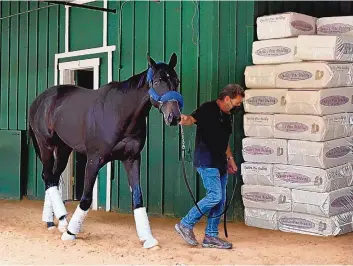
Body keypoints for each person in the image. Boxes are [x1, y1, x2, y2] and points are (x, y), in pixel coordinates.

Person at [174, 84, 244, 249]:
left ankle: (211, 237)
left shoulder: (228, 116)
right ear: (227, 99)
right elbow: (191, 119)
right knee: (214, 196)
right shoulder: (207, 109)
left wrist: (231, 159)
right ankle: (185, 223)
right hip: (206, 160)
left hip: (221, 162)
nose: (238, 106)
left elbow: (224, 141)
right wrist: (183, 119)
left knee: (220, 200)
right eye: (237, 103)